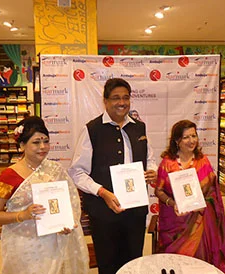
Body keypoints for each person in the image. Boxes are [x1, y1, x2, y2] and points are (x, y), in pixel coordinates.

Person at [68, 78, 157, 274]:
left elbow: (149, 158)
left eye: (126, 97)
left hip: (135, 209)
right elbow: (77, 172)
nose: (122, 102)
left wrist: (152, 170)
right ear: (105, 101)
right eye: (116, 98)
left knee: (134, 260)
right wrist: (102, 192)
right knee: (108, 263)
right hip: (103, 211)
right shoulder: (92, 130)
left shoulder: (139, 127)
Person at [0, 116, 89, 274]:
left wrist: (68, 223)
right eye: (36, 142)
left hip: (56, 241)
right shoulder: (9, 176)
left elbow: (71, 202)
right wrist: (22, 215)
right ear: (22, 145)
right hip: (24, 245)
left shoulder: (55, 169)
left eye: (46, 141)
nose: (43, 147)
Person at [155, 120, 225, 273]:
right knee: (175, 263)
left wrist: (205, 204)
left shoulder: (203, 162)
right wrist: (172, 202)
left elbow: (213, 193)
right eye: (186, 137)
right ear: (177, 140)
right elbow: (159, 191)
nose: (192, 140)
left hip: (199, 221)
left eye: (194, 136)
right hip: (174, 221)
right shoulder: (167, 163)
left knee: (197, 263)